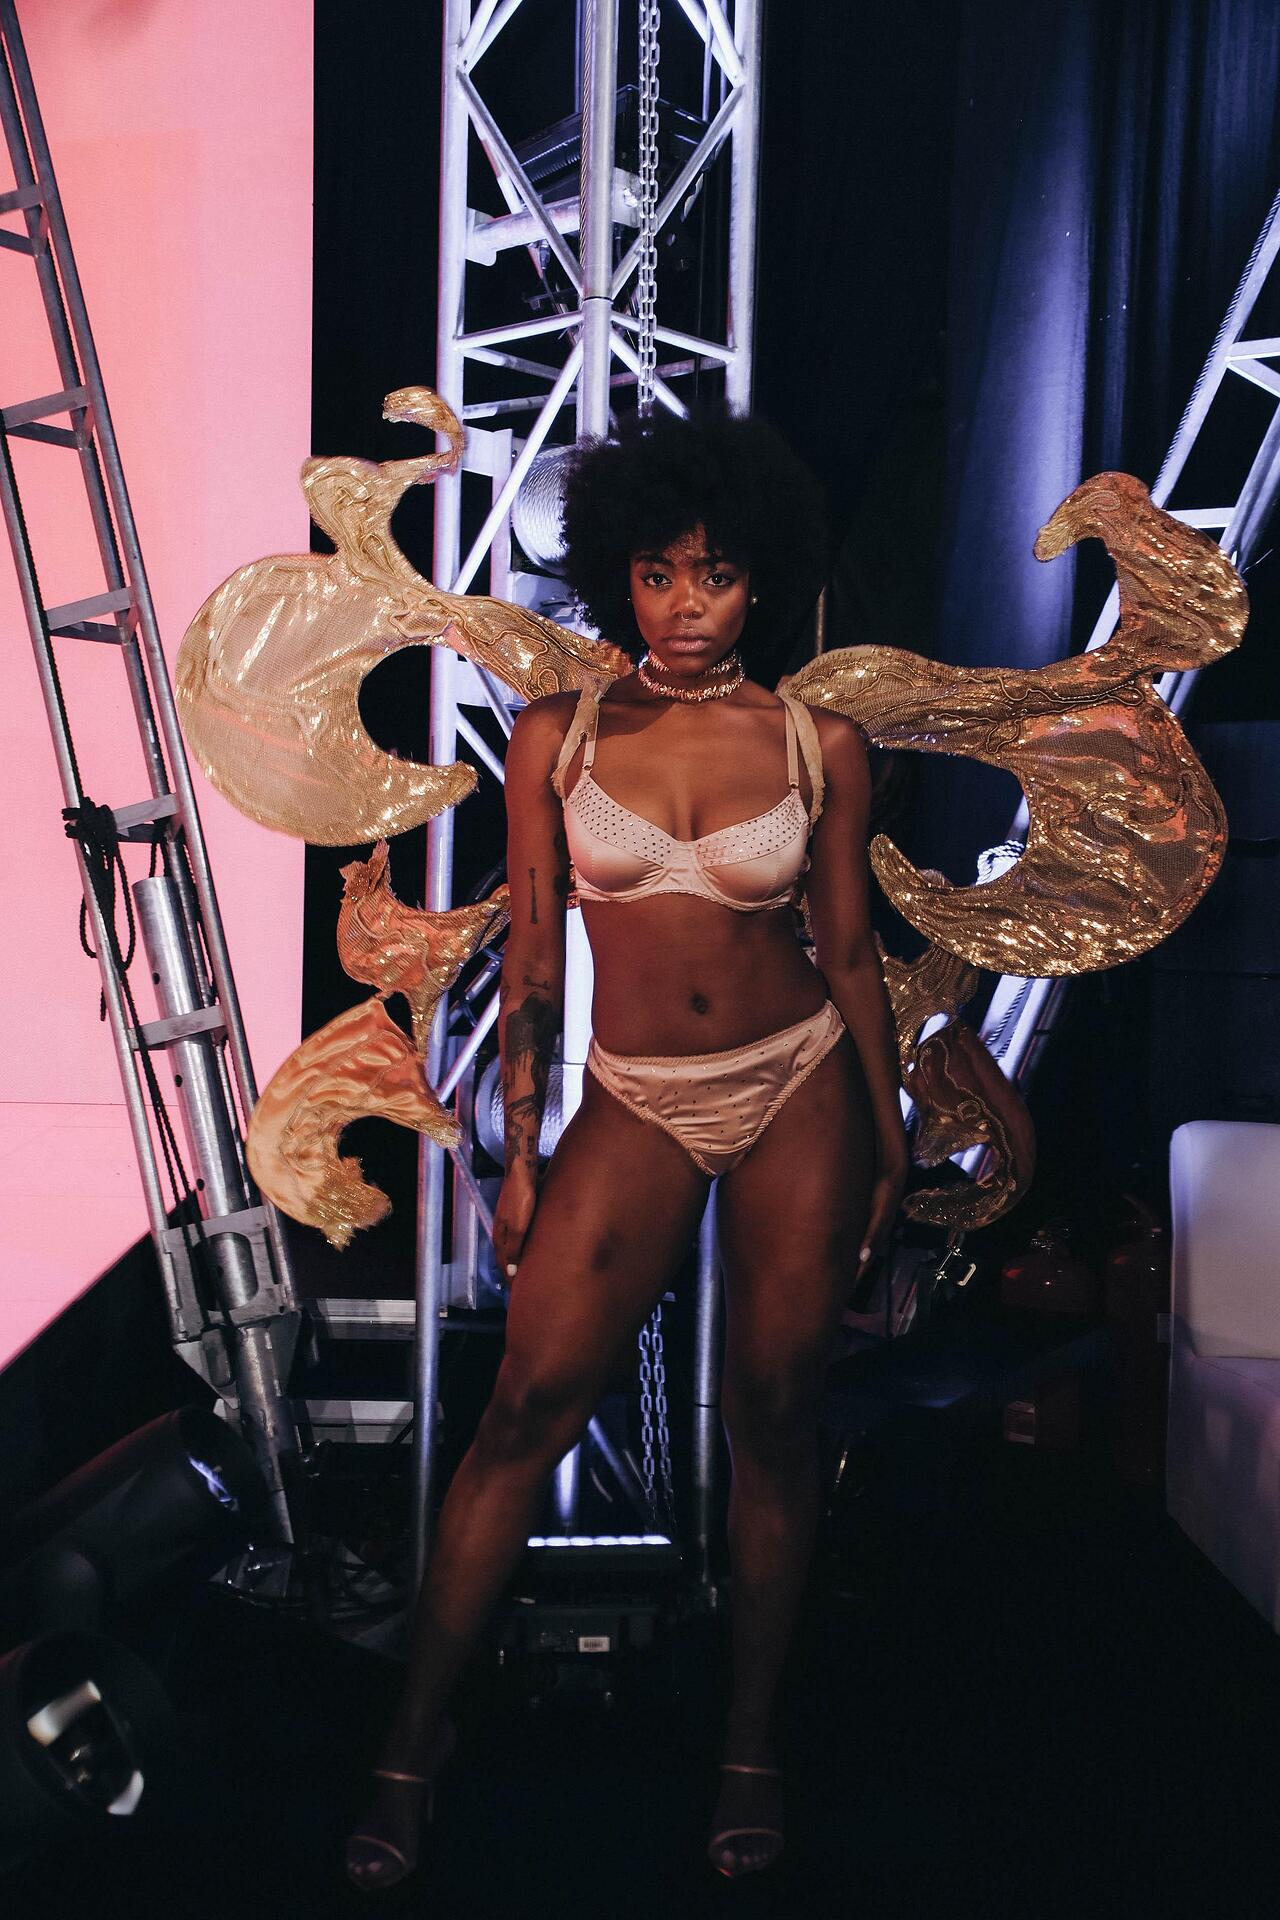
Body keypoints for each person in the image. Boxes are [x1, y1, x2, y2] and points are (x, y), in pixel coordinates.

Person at [346, 409, 909, 1889]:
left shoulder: (821, 745)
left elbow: (850, 954)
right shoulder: (560, 735)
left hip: (798, 1083)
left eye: (713, 576)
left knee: (773, 1414)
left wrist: (891, 1133)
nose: (683, 606)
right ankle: (411, 1742)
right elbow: (535, 967)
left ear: (761, 580)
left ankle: (750, 1744)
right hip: (634, 1091)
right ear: (619, 578)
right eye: (657, 575)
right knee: (525, 1405)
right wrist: (524, 1151)